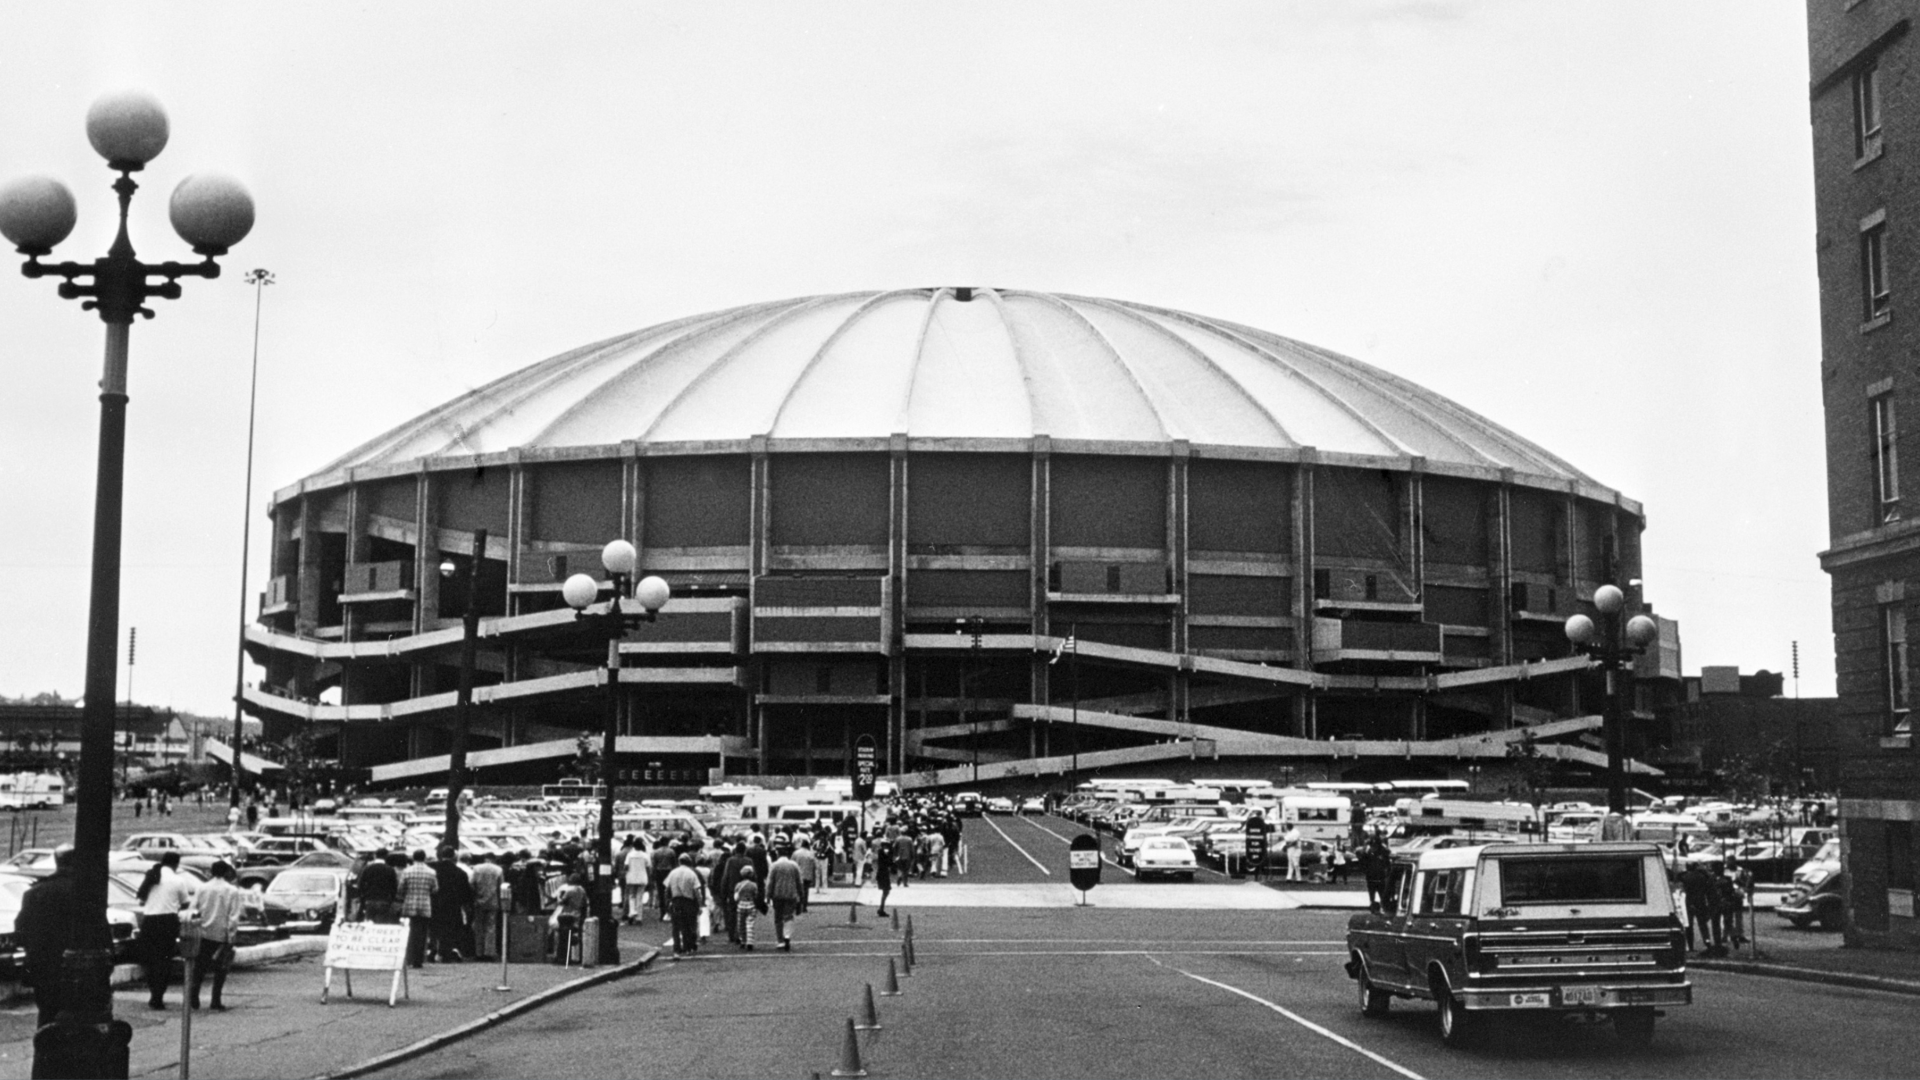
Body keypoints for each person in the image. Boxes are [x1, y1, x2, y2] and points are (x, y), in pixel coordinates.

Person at [17, 845, 80, 1028]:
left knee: (47, 1015)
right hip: (75, 967)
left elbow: (20, 928)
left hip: (43, 965)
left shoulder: (35, 892)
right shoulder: (83, 892)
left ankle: (45, 1053)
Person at [137, 851, 195, 1010]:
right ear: (176, 864)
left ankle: (152, 992)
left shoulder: (151, 876)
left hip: (149, 921)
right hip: (167, 922)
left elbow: (142, 900)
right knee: (164, 960)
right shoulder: (178, 880)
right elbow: (185, 903)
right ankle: (158, 996)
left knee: (150, 959)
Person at [188, 860, 248, 1011]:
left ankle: (193, 998)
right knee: (221, 970)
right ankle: (216, 1000)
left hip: (203, 933)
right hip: (221, 935)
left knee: (199, 968)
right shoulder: (232, 891)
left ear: (211, 871)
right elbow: (233, 917)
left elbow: (193, 909)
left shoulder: (202, 888)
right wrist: (231, 936)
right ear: (227, 872)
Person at [431, 847, 471, 962]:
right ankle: (447, 952)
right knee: (450, 930)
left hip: (435, 903)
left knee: (436, 929)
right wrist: (465, 904)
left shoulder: (434, 870)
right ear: (454, 856)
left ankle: (434, 950)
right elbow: (465, 892)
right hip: (453, 905)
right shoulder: (460, 873)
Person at [399, 850, 437, 969]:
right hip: (425, 905)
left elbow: (401, 888)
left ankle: (410, 958)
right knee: (422, 933)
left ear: (413, 858)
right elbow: (435, 889)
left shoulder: (407, 871)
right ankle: (419, 960)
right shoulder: (431, 872)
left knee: (410, 932)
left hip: (409, 904)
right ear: (424, 858)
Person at [664, 853, 704, 959]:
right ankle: (688, 946)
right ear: (689, 862)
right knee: (689, 924)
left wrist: (667, 902)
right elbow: (697, 890)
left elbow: (666, 889)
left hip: (676, 901)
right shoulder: (691, 874)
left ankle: (676, 949)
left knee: (676, 926)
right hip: (689, 901)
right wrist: (700, 904)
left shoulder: (672, 873)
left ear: (679, 861)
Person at [767, 847, 804, 951]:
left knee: (778, 918)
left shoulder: (774, 865)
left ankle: (780, 941)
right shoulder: (794, 865)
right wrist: (801, 895)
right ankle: (787, 936)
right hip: (791, 894)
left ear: (778, 854)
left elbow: (770, 882)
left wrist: (768, 896)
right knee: (788, 916)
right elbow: (799, 882)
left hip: (777, 894)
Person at [469, 854, 505, 960]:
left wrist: (476, 893)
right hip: (493, 901)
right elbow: (501, 886)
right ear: (493, 860)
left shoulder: (476, 869)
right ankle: (489, 953)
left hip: (479, 901)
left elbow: (471, 883)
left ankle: (478, 953)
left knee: (478, 927)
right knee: (491, 927)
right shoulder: (498, 870)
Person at [551, 874, 588, 963]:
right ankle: (570, 956)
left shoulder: (570, 890)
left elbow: (561, 901)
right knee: (571, 934)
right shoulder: (582, 890)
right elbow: (585, 904)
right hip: (577, 915)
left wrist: (559, 896)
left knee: (560, 934)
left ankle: (560, 956)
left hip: (567, 915)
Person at [359, 850, 401, 924]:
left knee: (369, 924)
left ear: (375, 856)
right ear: (386, 857)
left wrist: (364, 896)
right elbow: (394, 887)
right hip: (384, 901)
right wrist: (391, 899)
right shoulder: (390, 870)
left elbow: (361, 884)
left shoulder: (368, 868)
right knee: (381, 925)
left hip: (370, 900)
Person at [1359, 834, 1391, 913]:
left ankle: (1382, 907)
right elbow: (1362, 859)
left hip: (1378, 876)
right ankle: (1374, 907)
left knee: (1381, 894)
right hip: (1372, 877)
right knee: (1373, 894)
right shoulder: (1369, 852)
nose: (1374, 847)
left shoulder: (1381, 852)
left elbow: (1387, 860)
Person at [733, 866, 761, 950]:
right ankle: (750, 942)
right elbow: (756, 895)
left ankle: (743, 941)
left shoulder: (738, 885)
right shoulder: (753, 885)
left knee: (741, 924)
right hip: (751, 904)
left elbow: (735, 896)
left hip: (741, 904)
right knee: (750, 924)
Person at [791, 842, 817, 915]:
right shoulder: (811, 854)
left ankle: (797, 906)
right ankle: (804, 907)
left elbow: (791, 863)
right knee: (805, 891)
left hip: (797, 875)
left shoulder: (795, 853)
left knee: (797, 891)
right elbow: (814, 865)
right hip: (807, 875)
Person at [874, 834, 894, 918]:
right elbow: (888, 861)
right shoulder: (884, 851)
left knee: (886, 891)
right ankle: (881, 909)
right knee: (886, 890)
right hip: (883, 873)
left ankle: (881, 908)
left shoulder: (881, 851)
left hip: (882, 872)